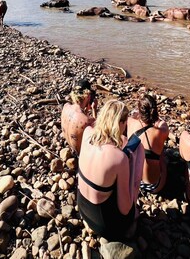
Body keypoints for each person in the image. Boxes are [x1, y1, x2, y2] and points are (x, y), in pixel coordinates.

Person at [77, 99, 144, 241]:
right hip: (104, 224)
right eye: (125, 123)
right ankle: (134, 218)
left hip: (83, 207)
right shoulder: (119, 158)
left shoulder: (87, 132)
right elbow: (125, 208)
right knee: (137, 147)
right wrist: (133, 186)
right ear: (120, 123)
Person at [127, 92, 169, 194]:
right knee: (162, 155)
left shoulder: (129, 122)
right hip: (153, 185)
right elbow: (161, 123)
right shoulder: (162, 131)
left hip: (132, 180)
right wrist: (157, 120)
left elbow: (132, 117)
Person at [61, 79, 97, 155]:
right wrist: (94, 109)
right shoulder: (86, 120)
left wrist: (86, 110)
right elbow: (97, 132)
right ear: (87, 96)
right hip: (81, 154)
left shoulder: (66, 106)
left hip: (70, 145)